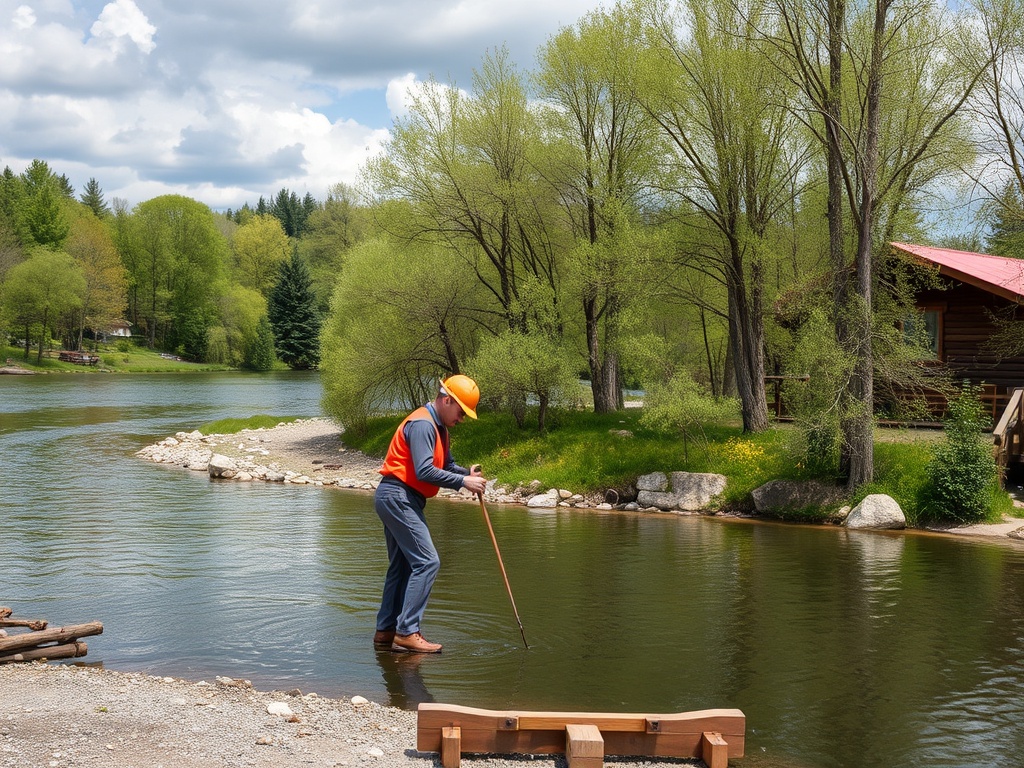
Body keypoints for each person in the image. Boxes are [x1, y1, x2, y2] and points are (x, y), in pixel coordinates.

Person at [373, 374, 488, 653]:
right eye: (461, 412)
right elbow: (424, 470)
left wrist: (465, 473)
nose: (461, 419)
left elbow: (445, 464)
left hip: (397, 497)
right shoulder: (424, 424)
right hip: (398, 497)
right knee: (427, 562)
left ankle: (386, 631)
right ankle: (407, 631)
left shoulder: (439, 428)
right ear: (447, 400)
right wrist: (463, 483)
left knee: (401, 567)